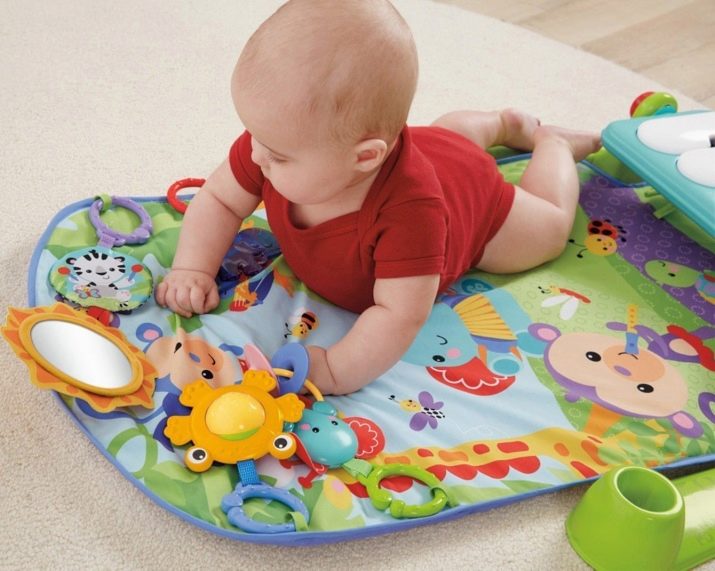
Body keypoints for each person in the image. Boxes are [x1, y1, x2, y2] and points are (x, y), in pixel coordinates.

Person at [155, 0, 601, 394]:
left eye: (277, 155)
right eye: (253, 135)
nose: (254, 154)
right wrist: (193, 268)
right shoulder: (274, 142)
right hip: (430, 148)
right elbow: (219, 199)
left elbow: (398, 314)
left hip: (476, 204)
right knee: (445, 138)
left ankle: (552, 144)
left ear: (365, 157)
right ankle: (501, 123)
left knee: (548, 228)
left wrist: (336, 369)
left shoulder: (412, 216)